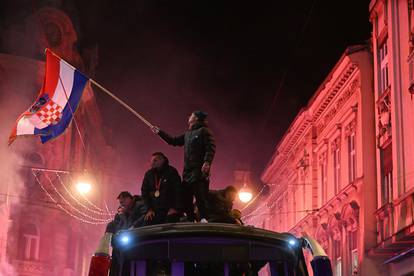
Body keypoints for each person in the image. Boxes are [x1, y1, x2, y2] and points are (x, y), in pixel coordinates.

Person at [151, 111, 216, 222]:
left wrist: (207, 162)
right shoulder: (187, 134)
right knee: (186, 197)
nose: (189, 116)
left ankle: (204, 218)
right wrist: (159, 132)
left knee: (200, 195)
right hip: (187, 171)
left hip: (198, 170)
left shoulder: (204, 131)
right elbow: (173, 141)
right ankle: (191, 218)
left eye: (191, 115)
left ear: (196, 118)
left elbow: (210, 147)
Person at [106, 191, 147, 276]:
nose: (121, 204)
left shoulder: (139, 205)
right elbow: (117, 226)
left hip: (136, 243)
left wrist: (133, 226)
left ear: (129, 199)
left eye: (122, 201)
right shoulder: (121, 213)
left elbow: (143, 218)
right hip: (121, 246)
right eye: (120, 202)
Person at [141, 152, 181, 225]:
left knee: (169, 227)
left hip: (169, 210)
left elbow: (178, 190)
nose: (152, 163)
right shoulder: (148, 174)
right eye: (151, 161)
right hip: (154, 210)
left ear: (162, 160)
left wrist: (175, 208)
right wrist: (149, 209)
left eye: (155, 160)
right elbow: (144, 193)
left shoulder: (171, 171)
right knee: (147, 222)